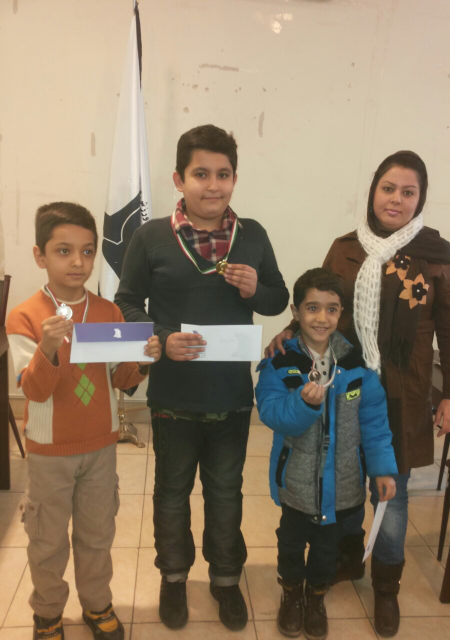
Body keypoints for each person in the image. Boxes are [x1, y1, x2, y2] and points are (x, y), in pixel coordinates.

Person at [266, 151, 450, 637]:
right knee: (343, 479)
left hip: (403, 394)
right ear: (373, 190)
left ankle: (386, 586)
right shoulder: (345, 248)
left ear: (421, 198)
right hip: (344, 386)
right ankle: (344, 558)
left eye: (408, 192)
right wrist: (287, 333)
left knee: (391, 491)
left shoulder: (436, 256)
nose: (396, 199)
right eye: (388, 188)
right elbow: (318, 300)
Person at [114, 124, 289, 631]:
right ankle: (173, 577)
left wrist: (256, 290)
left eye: (224, 174)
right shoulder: (151, 237)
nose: (213, 185)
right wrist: (162, 337)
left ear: (235, 178)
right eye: (201, 174)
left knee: (226, 494)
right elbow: (127, 302)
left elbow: (278, 298)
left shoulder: (252, 235)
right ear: (179, 179)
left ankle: (226, 579)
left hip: (231, 397)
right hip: (173, 395)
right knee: (171, 494)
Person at [6, 202, 161, 640]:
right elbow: (33, 390)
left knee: (97, 534)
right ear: (40, 256)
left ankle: (97, 604)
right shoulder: (25, 316)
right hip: (49, 454)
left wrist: (142, 361)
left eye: (88, 251)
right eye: (64, 251)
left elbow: (121, 379)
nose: (78, 262)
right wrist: (47, 348)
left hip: (100, 447)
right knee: (47, 539)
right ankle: (47, 612)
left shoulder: (109, 312)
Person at [256, 267, 397, 639]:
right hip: (296, 485)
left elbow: (375, 424)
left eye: (331, 309)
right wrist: (304, 404)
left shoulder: (356, 366)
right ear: (296, 311)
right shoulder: (279, 362)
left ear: (341, 313)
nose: (322, 318)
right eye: (312, 308)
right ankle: (291, 594)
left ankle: (316, 597)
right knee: (290, 545)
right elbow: (272, 414)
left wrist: (383, 469)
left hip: (342, 485)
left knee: (325, 551)